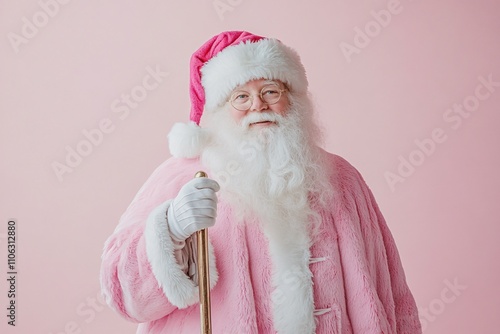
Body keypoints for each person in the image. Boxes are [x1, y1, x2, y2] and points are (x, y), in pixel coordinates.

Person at [100, 31, 422, 334]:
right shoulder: (182, 178)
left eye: (270, 90)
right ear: (220, 110)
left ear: (292, 99)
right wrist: (171, 228)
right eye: (241, 96)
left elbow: (392, 289)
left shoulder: (342, 179)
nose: (258, 105)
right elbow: (122, 292)